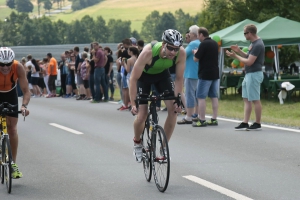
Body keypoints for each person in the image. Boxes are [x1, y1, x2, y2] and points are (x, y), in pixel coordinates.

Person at [129, 29, 186, 162]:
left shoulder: (181, 53)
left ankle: (163, 148)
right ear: (163, 44)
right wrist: (133, 103)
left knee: (173, 110)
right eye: (170, 48)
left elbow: (179, 79)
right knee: (142, 114)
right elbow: (133, 79)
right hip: (144, 77)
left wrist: (177, 99)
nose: (173, 52)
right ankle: (137, 143)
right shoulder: (148, 53)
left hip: (162, 76)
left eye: (176, 49)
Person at [226, 24, 264, 131]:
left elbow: (249, 62)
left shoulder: (257, 45)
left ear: (250, 33)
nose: (244, 36)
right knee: (246, 98)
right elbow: (248, 57)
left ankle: (257, 123)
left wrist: (235, 56)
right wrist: (238, 51)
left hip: (254, 74)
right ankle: (245, 122)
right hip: (249, 74)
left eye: (245, 33)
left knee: (255, 99)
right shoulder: (254, 43)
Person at [0, 47, 30, 178]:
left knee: (12, 130)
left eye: (8, 64)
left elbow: (26, 91)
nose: (5, 67)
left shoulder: (18, 67)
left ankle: (12, 163)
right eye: (2, 64)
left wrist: (23, 106)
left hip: (11, 94)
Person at [192, 27, 219, 127]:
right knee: (213, 96)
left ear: (201, 35)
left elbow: (196, 58)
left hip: (205, 74)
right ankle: (214, 118)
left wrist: (195, 52)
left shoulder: (203, 44)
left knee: (200, 97)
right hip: (215, 73)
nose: (198, 37)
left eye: (198, 35)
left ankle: (202, 119)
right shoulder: (214, 43)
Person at [177, 25, 200, 125]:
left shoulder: (193, 44)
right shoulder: (200, 43)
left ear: (193, 34)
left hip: (190, 72)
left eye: (189, 33)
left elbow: (183, 55)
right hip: (198, 72)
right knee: (197, 95)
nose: (188, 35)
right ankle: (196, 114)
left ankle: (189, 116)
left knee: (189, 95)